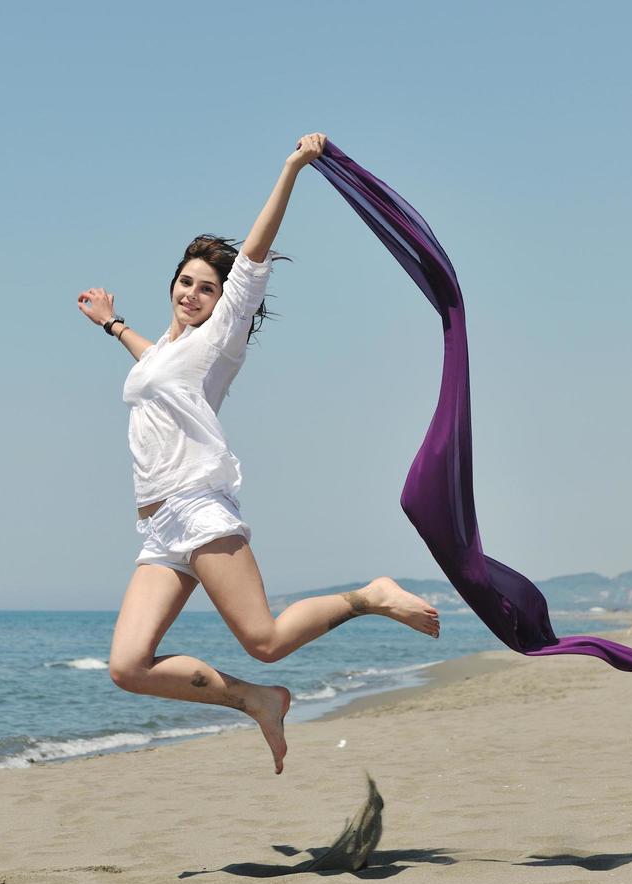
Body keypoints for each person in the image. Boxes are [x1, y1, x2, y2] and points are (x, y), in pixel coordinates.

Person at [75, 133, 441, 775]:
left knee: (265, 639)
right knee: (128, 666)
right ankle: (257, 701)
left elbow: (252, 253)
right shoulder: (166, 353)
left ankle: (369, 595)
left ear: (225, 301)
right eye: (184, 283)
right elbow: (153, 365)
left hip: (197, 506)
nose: (192, 294)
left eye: (206, 288)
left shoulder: (220, 339)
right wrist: (112, 323)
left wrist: (292, 168)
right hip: (158, 526)